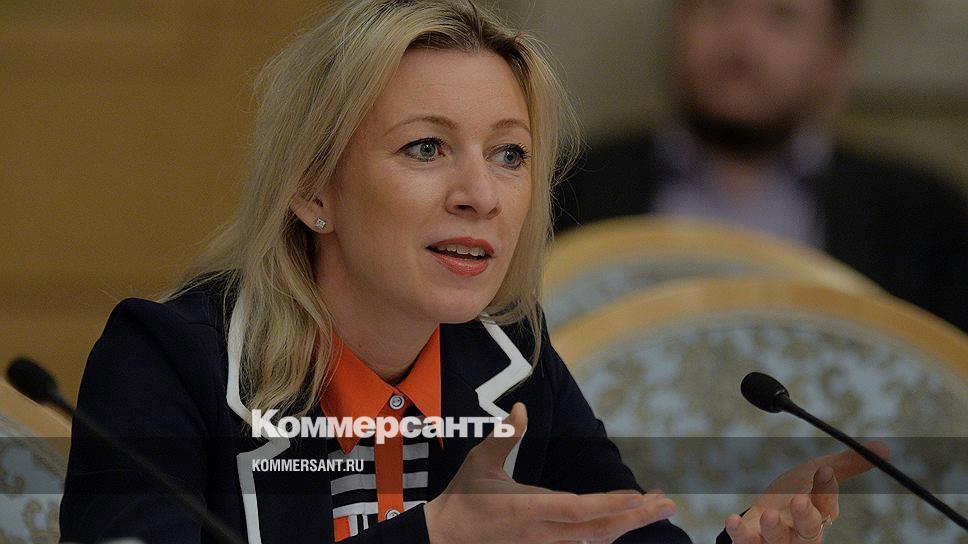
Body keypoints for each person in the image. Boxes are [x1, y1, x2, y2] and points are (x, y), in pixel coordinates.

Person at [59, 1, 880, 543]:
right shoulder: (168, 362)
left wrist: (748, 541)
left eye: (509, 155)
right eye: (426, 148)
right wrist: (435, 533)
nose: (480, 195)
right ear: (312, 189)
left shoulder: (512, 359)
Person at [553, 0, 968, 331]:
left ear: (839, 56)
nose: (742, 44)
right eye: (717, 7)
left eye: (782, 16)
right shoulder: (562, 187)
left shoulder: (930, 223)